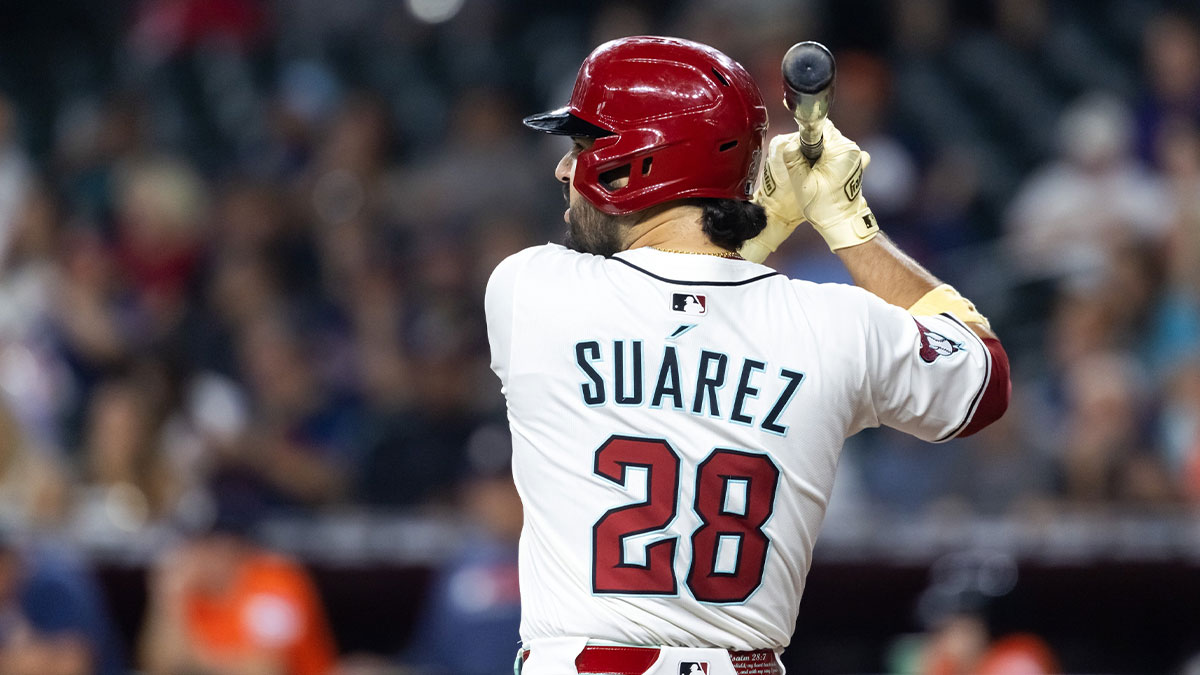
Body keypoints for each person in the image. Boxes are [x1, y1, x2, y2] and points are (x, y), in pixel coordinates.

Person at [486, 36, 1010, 675]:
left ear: (639, 162)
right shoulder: (833, 325)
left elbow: (672, 298)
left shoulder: (531, 290)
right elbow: (984, 379)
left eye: (584, 146)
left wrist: (759, 218)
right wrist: (843, 221)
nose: (566, 170)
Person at [138, 488, 337, 675]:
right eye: (198, 541)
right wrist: (170, 601)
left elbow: (266, 669)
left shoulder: (275, 581)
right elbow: (159, 665)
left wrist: (191, 658)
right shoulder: (187, 588)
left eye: (215, 542)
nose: (201, 553)